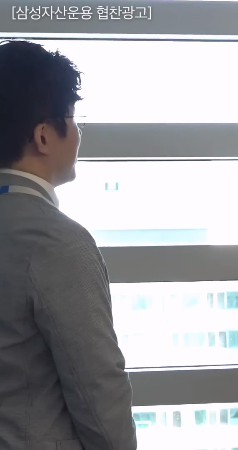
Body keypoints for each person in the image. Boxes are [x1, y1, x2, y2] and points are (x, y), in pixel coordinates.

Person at [0, 40, 137, 449]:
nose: (78, 134)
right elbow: (99, 397)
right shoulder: (57, 243)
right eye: (73, 120)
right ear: (43, 136)